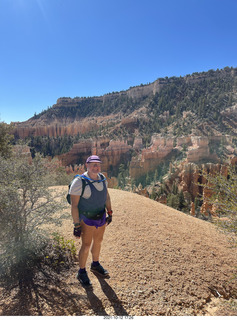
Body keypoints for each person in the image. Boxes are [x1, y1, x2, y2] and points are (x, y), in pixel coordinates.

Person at [69, 155, 113, 287]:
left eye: (98, 165)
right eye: (93, 164)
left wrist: (109, 212)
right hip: (86, 218)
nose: (96, 167)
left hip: (100, 216)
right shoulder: (79, 182)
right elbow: (74, 205)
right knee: (86, 245)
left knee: (98, 241)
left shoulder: (102, 179)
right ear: (86, 166)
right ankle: (81, 272)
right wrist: (76, 224)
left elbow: (107, 197)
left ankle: (95, 264)